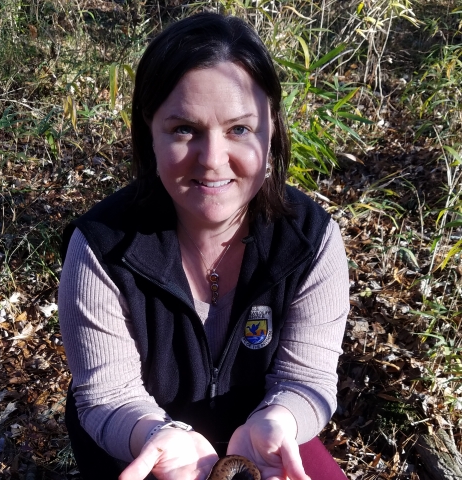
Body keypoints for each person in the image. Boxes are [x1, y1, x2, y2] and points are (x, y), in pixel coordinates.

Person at [58, 12, 349, 480]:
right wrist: (152, 432)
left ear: (270, 130)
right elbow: (107, 394)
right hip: (144, 441)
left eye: (239, 129)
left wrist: (283, 418)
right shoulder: (101, 247)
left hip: (264, 440)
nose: (212, 161)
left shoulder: (311, 241)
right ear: (148, 133)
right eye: (183, 129)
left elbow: (307, 380)